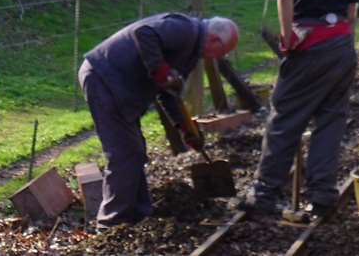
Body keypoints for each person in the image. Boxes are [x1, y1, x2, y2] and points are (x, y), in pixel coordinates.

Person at [241, 0, 359, 219]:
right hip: (342, 46)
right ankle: (323, 195)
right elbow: (352, 12)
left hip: (309, 45)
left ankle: (265, 194)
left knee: (285, 119)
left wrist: (287, 35)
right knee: (331, 121)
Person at [79, 14, 239, 226]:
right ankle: (111, 222)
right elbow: (144, 33)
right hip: (105, 78)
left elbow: (169, 92)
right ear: (215, 41)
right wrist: (161, 71)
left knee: (134, 150)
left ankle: (138, 212)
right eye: (223, 53)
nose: (218, 58)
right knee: (125, 153)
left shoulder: (190, 52)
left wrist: (186, 129)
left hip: (120, 87)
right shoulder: (186, 30)